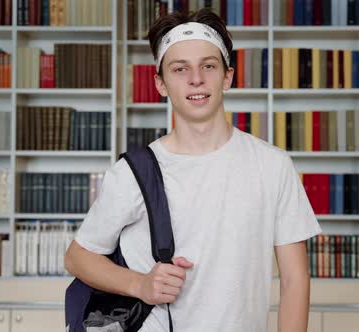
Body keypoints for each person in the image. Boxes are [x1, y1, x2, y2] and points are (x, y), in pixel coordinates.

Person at [64, 8, 321, 332]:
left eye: (208, 66)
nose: (195, 79)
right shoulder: (135, 171)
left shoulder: (273, 165)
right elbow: (77, 257)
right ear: (161, 83)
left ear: (227, 75)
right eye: (180, 68)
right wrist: (140, 284)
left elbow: (294, 279)